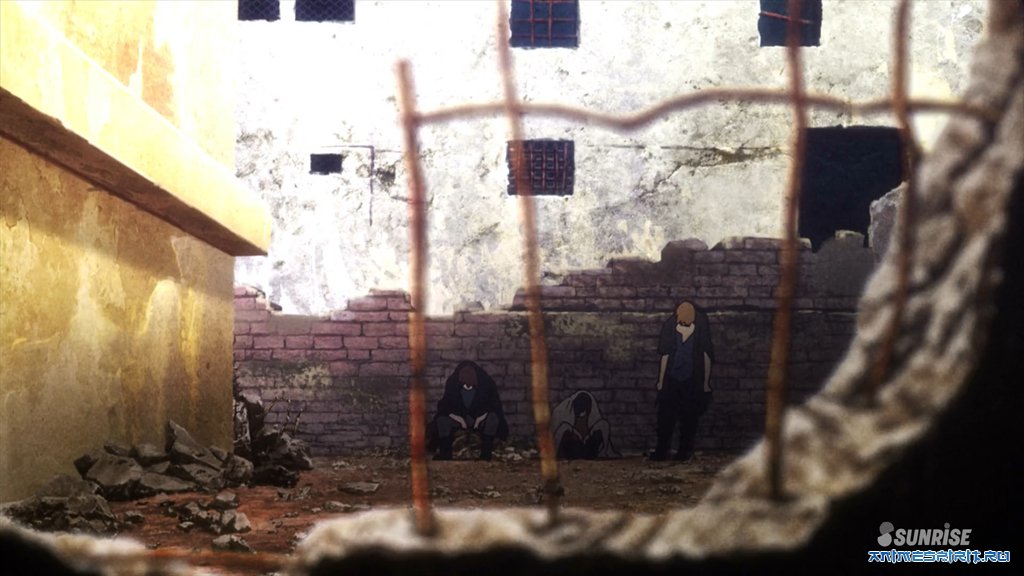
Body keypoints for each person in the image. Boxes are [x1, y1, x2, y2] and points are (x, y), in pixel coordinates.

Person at [651, 300, 714, 462]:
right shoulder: (670, 327)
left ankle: (683, 451)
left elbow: (706, 355)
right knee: (666, 417)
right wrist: (661, 380)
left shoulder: (700, 328)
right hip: (673, 379)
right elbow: (665, 355)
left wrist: (706, 381)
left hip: (691, 380)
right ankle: (663, 450)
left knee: (688, 417)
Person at [427, 361, 508, 461]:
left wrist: (480, 418)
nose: (467, 386)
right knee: (442, 420)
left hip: (479, 418)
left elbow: (494, 405)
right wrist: (459, 419)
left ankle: (486, 454)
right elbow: (444, 406)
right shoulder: (453, 384)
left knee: (493, 418)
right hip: (459, 417)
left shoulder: (486, 384)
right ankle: (445, 453)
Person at [552, 390, 618, 459]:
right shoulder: (569, 414)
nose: (582, 415)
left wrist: (588, 435)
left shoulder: (591, 415)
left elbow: (599, 426)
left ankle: (604, 452)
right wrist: (576, 433)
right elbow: (564, 428)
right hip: (574, 445)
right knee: (564, 426)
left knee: (603, 424)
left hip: (588, 447)